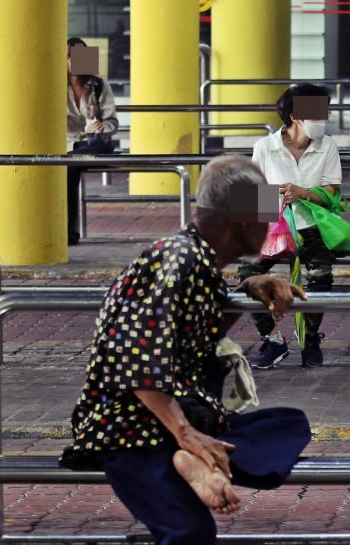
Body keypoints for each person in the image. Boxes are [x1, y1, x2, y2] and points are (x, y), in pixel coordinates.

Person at [60, 155, 312, 545]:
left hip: (179, 418)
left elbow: (197, 337)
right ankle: (189, 455)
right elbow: (136, 357)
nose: (270, 227)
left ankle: (194, 460)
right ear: (242, 222)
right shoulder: (178, 260)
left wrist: (248, 288)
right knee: (189, 532)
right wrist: (185, 435)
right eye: (266, 217)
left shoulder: (198, 262)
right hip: (131, 429)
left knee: (287, 424)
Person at [239, 83, 344, 369]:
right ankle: (272, 340)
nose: (324, 119)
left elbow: (331, 193)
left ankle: (310, 338)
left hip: (313, 228)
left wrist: (303, 192)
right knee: (247, 277)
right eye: (319, 112)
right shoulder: (265, 147)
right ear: (296, 116)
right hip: (274, 229)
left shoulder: (327, 146)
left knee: (320, 279)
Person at [66, 37, 119, 246]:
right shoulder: (53, 86)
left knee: (70, 164)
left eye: (78, 57)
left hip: (95, 143)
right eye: (69, 56)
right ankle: (68, 231)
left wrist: (102, 126)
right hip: (68, 146)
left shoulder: (98, 85)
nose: (73, 61)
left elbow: (113, 121)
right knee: (70, 167)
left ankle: (69, 231)